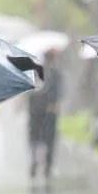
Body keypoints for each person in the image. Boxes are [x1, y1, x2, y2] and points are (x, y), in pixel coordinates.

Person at [27, 48, 63, 179]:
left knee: (35, 138)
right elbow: (60, 92)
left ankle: (35, 160)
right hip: (49, 111)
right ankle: (47, 166)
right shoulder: (56, 73)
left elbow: (30, 91)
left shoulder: (36, 72)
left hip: (35, 112)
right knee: (49, 140)